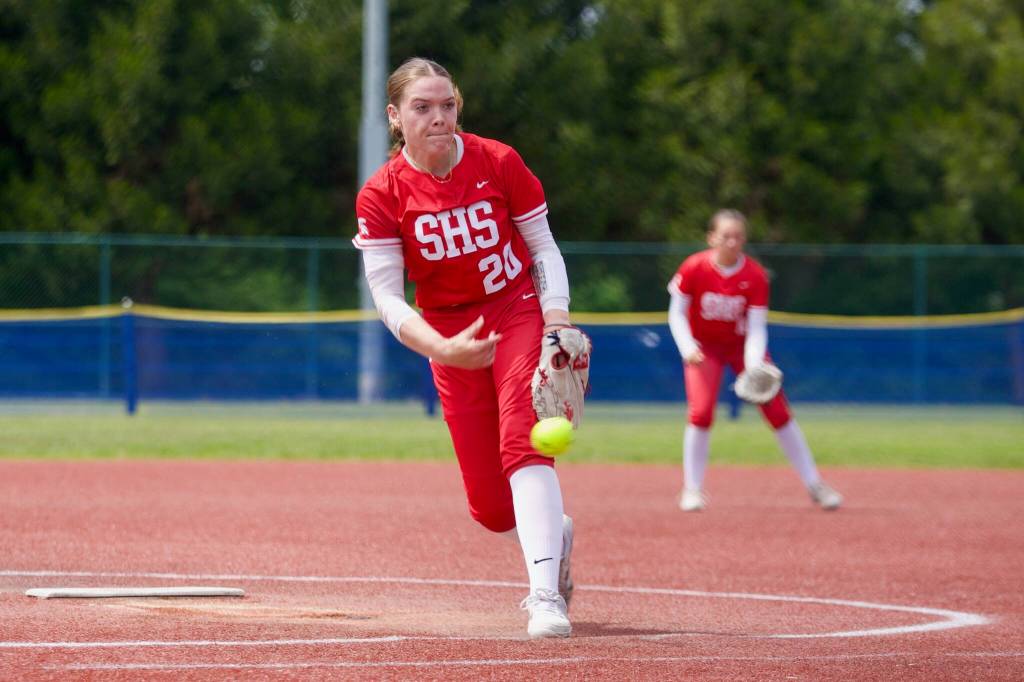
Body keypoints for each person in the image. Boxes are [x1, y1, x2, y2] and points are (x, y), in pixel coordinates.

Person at [353, 58, 581, 638]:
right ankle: (555, 535)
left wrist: (555, 321)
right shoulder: (381, 193)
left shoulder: (497, 161)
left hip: (515, 309)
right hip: (448, 333)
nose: (438, 117)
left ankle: (544, 596)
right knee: (490, 509)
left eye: (447, 105)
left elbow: (543, 247)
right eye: (422, 107)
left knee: (523, 443)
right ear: (395, 116)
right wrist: (442, 348)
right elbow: (388, 298)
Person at [667, 209, 843, 512]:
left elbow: (757, 327)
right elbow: (676, 313)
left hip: (741, 346)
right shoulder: (694, 267)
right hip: (704, 348)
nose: (732, 242)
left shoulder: (754, 275)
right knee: (701, 413)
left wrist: (753, 365)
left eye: (738, 236)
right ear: (711, 238)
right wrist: (687, 347)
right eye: (725, 236)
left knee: (778, 411)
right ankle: (692, 490)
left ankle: (815, 484)